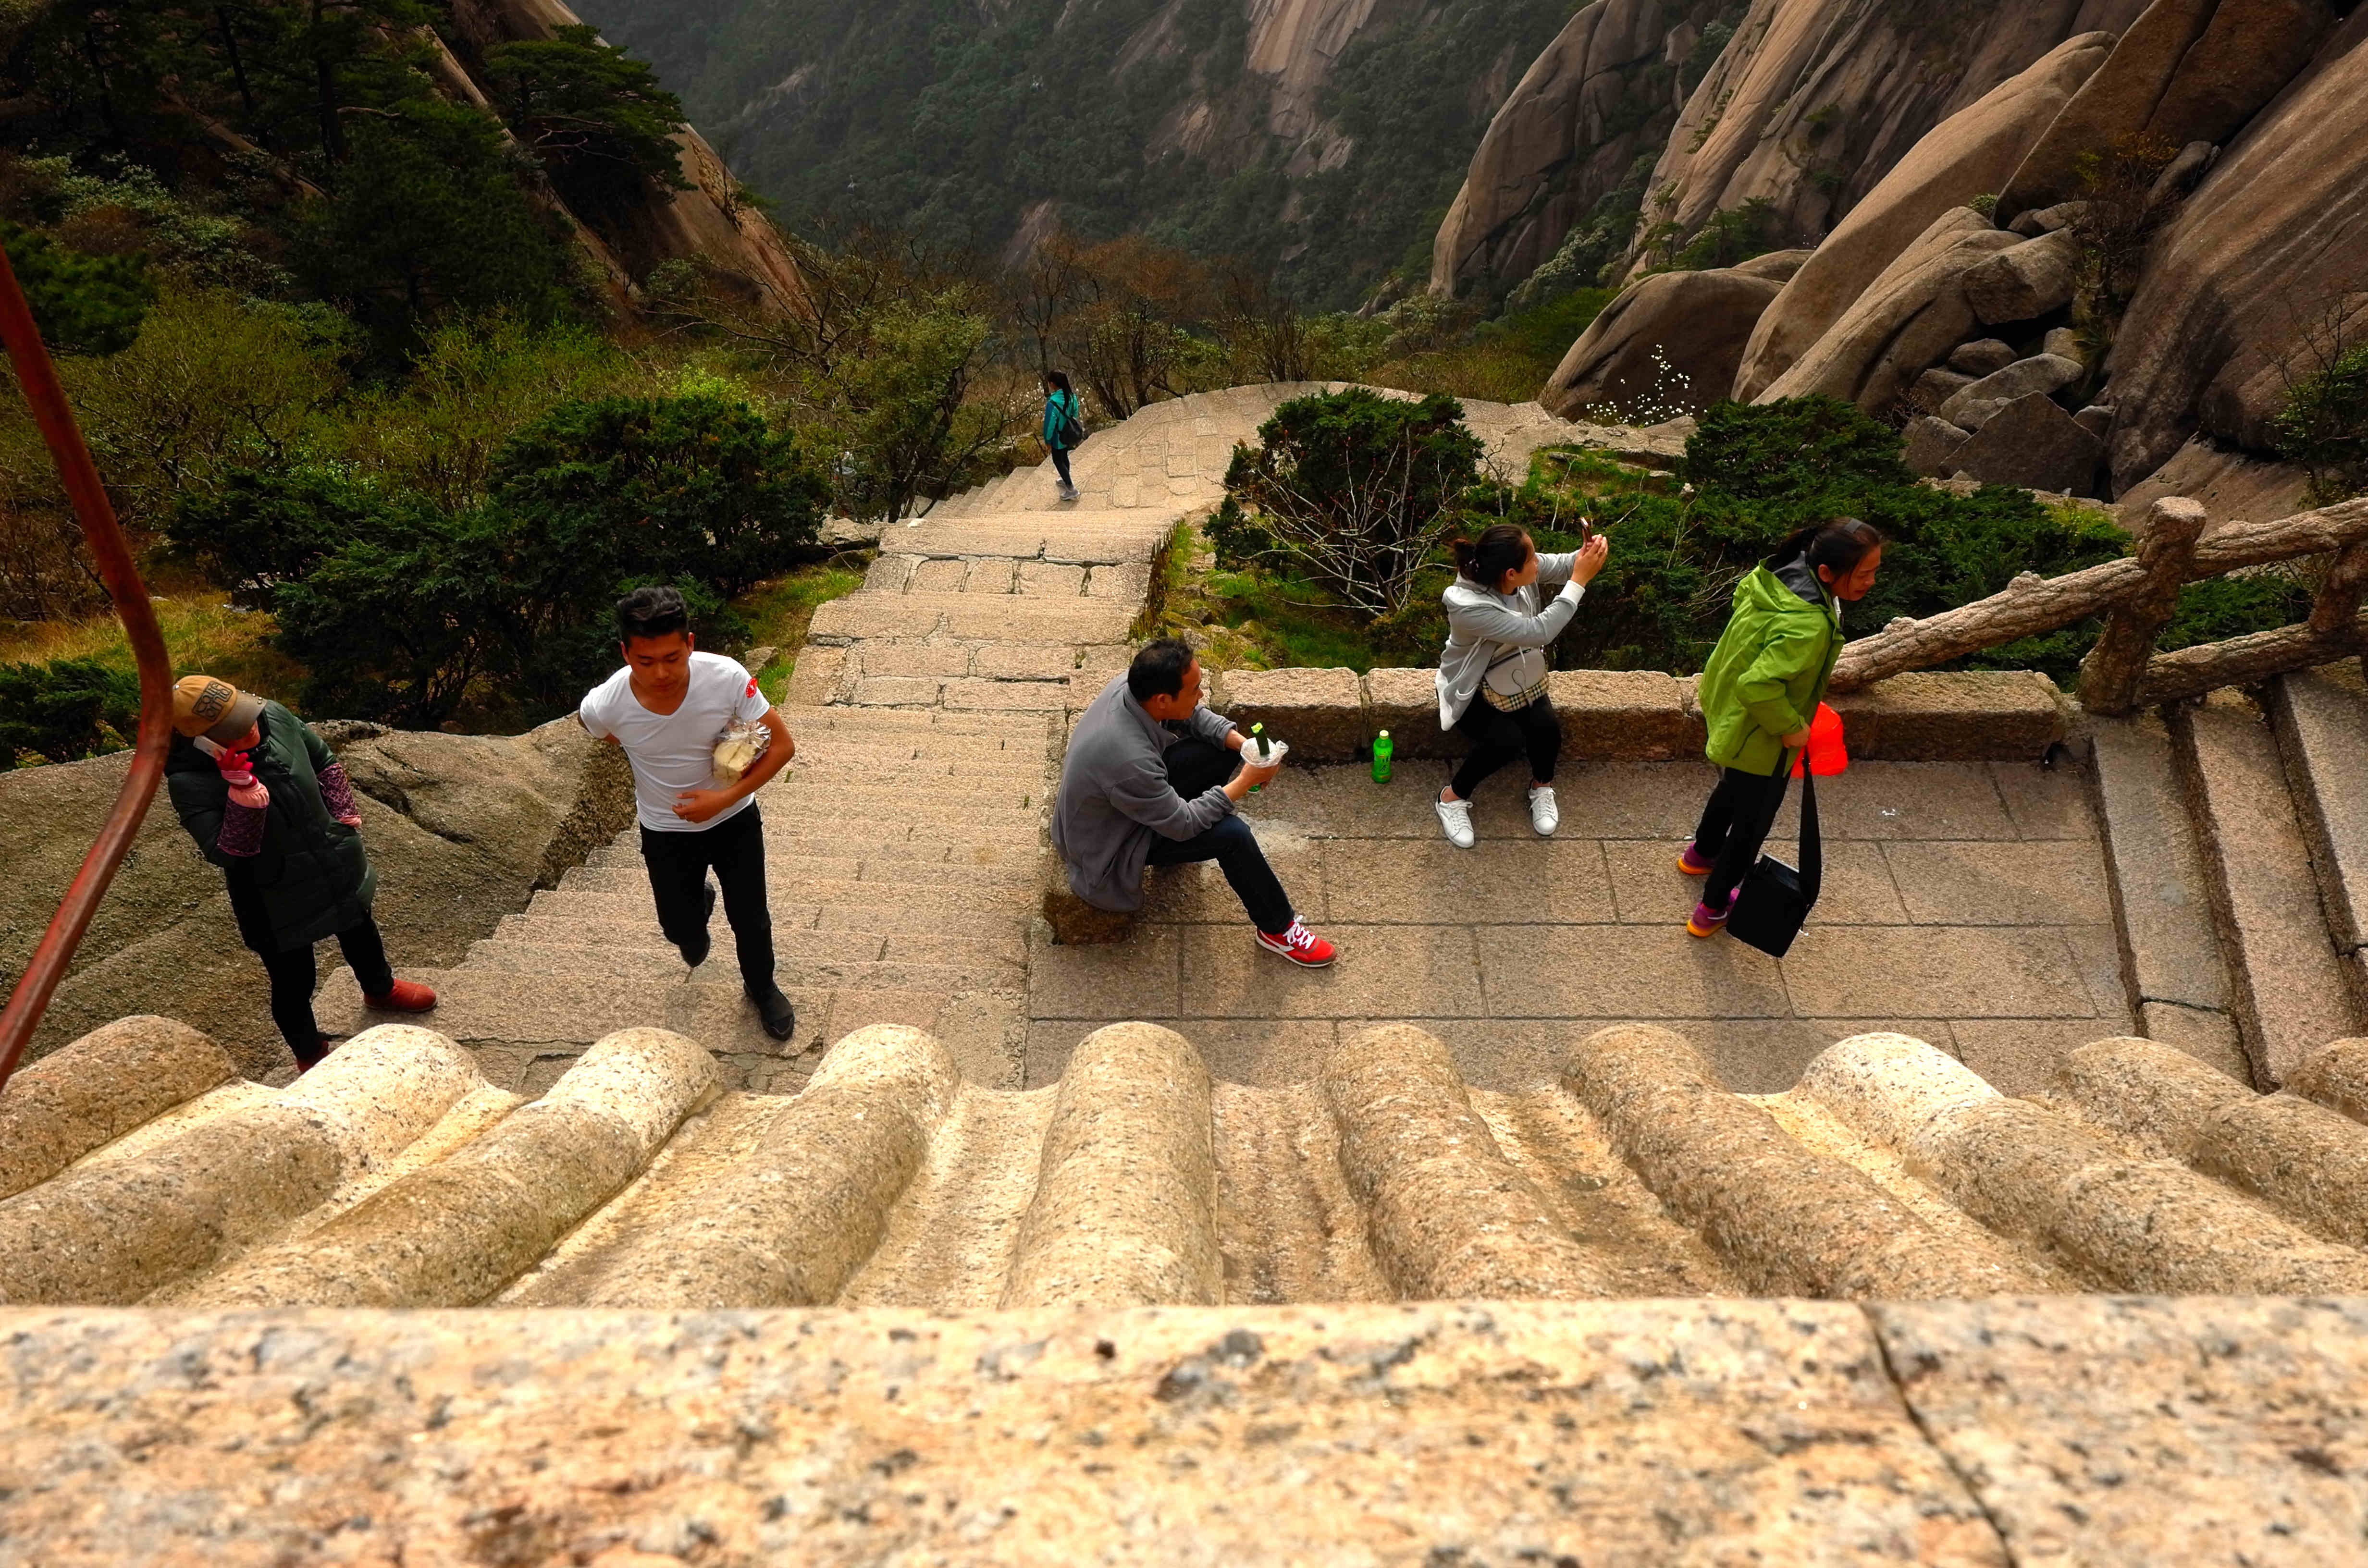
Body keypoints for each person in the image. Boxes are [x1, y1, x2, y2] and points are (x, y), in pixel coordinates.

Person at [165, 674, 437, 1072]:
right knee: (295, 981)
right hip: (272, 894)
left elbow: (322, 758)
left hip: (330, 856)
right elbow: (227, 853)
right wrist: (244, 798)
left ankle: (380, 990)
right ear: (203, 741)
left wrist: (342, 815)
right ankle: (309, 1053)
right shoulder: (189, 782)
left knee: (360, 929)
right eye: (233, 732)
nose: (251, 730)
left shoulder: (273, 714)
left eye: (247, 717)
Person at [578, 585, 801, 1040]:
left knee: (751, 916)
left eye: (672, 658)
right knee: (679, 930)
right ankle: (697, 911)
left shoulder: (727, 677)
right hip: (665, 828)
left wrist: (723, 797)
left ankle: (762, 989)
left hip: (734, 818)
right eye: (645, 661)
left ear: (691, 645)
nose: (661, 672)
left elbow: (783, 745)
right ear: (625, 653)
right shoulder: (607, 703)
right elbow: (600, 730)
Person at [1052, 637, 1336, 966]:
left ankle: (1182, 823)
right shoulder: (1128, 760)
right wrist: (1246, 781)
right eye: (1195, 689)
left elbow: (1193, 715)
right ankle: (1278, 930)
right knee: (1233, 836)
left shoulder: (1132, 687)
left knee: (1220, 749)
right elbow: (1182, 824)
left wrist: (1244, 746)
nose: (1201, 695)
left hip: (1119, 807)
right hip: (1110, 845)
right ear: (1162, 699)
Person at [1681, 516, 1884, 938]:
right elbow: (1758, 686)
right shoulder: (1807, 625)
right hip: (1762, 739)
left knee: (1731, 791)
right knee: (1752, 826)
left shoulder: (1776, 578)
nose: (1871, 582)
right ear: (1827, 573)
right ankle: (1713, 908)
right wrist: (1792, 727)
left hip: (1730, 717)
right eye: (1864, 574)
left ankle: (1701, 854)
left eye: (1874, 572)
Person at [1432, 522, 1611, 849]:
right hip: (1471, 686)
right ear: (1511, 574)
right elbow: (1538, 631)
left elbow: (1563, 564)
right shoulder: (1469, 608)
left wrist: (1587, 555)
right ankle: (1451, 797)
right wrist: (1580, 580)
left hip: (1518, 674)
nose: (1538, 564)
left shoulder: (1510, 572)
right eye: (1532, 561)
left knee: (1547, 728)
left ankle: (1541, 786)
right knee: (1507, 741)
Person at [1042, 370, 1083, 502]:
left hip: (1057, 437)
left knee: (1058, 460)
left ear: (1053, 384)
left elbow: (1049, 425)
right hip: (1068, 434)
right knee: (1064, 457)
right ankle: (1065, 479)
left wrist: (1047, 440)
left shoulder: (1052, 403)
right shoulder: (1072, 397)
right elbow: (1075, 413)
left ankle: (1071, 489)